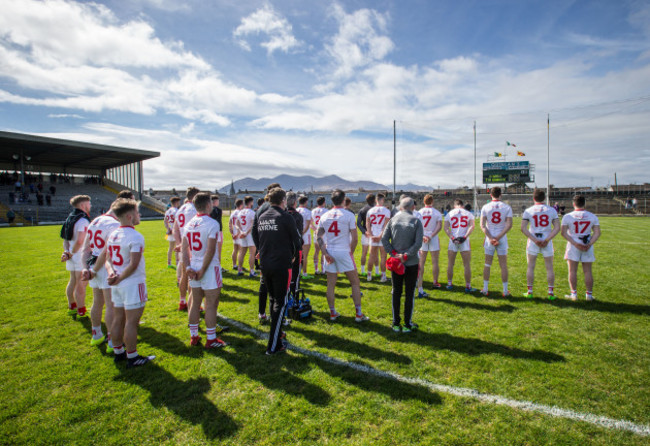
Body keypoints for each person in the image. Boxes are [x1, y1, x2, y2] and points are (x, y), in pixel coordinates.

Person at [99, 198, 154, 368]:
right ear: (130, 216)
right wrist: (120, 277)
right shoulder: (135, 236)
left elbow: (107, 260)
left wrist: (112, 274)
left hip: (116, 284)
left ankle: (118, 352)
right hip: (131, 283)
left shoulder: (113, 234)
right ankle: (133, 356)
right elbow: (134, 264)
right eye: (137, 213)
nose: (139, 215)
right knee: (131, 322)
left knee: (118, 319)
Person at [252, 187, 302, 355]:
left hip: (265, 264)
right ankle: (273, 346)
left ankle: (278, 336)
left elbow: (258, 238)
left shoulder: (262, 215)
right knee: (280, 303)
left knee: (273, 300)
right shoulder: (285, 217)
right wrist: (294, 256)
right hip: (281, 265)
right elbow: (298, 241)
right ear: (283, 201)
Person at [181, 193, 227, 348]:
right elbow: (211, 251)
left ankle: (194, 336)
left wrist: (188, 267)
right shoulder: (212, 223)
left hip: (193, 265)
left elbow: (184, 249)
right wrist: (202, 270)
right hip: (208, 268)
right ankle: (211, 338)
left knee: (194, 303)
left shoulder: (188, 224)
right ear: (208, 205)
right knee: (211, 305)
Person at [316, 190, 368, 322]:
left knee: (331, 284)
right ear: (344, 200)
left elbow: (319, 237)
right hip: (344, 251)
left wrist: (325, 253)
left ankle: (333, 313)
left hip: (330, 251)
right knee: (355, 283)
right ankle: (358, 314)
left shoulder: (325, 215)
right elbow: (355, 238)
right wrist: (350, 252)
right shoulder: (349, 215)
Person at [81, 203, 120, 351]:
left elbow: (86, 249)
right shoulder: (115, 224)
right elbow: (106, 251)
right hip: (103, 266)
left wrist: (87, 268)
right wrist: (95, 270)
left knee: (97, 302)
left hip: (93, 264)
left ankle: (96, 334)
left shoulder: (95, 221)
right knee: (111, 305)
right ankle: (112, 341)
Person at [381, 197, 423, 332]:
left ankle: (395, 323)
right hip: (410, 262)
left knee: (396, 291)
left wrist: (393, 253)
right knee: (409, 293)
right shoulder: (416, 221)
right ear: (413, 207)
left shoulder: (393, 220)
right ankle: (407, 324)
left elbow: (383, 238)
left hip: (396, 262)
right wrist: (406, 255)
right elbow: (418, 243)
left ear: (400, 207)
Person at [521, 189, 561, 299]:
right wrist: (547, 239)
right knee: (549, 268)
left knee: (530, 266)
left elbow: (523, 228)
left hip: (533, 241)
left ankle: (530, 292)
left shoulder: (529, 210)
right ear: (544, 197)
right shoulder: (551, 210)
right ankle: (550, 293)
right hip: (546, 241)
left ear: (533, 198)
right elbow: (557, 227)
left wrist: (534, 240)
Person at [561, 195, 601, 301]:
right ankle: (589, 295)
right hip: (587, 244)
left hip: (573, 245)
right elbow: (597, 233)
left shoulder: (568, 216)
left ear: (573, 204)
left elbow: (563, 233)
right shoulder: (592, 216)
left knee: (572, 270)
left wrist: (575, 243)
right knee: (588, 271)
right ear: (584, 203)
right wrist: (589, 243)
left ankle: (574, 294)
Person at [60, 195, 91, 317]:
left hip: (72, 255)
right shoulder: (82, 220)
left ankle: (71, 305)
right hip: (79, 255)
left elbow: (65, 239)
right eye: (89, 204)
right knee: (81, 284)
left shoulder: (70, 218)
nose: (90, 206)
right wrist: (71, 253)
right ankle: (81, 309)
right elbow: (80, 240)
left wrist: (67, 252)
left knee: (72, 280)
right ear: (83, 205)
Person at [479, 187, 513, 297]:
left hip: (489, 238)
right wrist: (498, 237)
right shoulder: (506, 207)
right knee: (503, 265)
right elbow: (509, 225)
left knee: (487, 264)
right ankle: (505, 290)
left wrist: (490, 237)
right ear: (500, 194)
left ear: (490, 194)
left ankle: (485, 289)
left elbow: (482, 225)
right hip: (501, 238)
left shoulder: (485, 207)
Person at [173, 187, 200, 310]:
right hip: (191, 246)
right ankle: (193, 303)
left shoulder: (180, 209)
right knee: (191, 276)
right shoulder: (194, 209)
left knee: (184, 275)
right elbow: (195, 229)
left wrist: (179, 244)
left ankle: (182, 301)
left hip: (183, 246)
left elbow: (176, 229)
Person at [443, 199, 476, 293]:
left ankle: (449, 284)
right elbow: (472, 226)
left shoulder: (450, 213)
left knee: (450, 263)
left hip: (453, 240)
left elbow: (446, 227)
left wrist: (452, 237)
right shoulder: (468, 213)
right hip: (464, 241)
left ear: (455, 205)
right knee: (467, 265)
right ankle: (468, 286)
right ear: (462, 205)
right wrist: (464, 237)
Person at [416, 194, 443, 297]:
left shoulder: (419, 212)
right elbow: (439, 226)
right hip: (433, 237)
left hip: (422, 238)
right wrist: (430, 236)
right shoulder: (436, 212)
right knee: (435, 261)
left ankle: (419, 282)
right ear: (433, 201)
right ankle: (435, 282)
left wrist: (423, 235)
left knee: (421, 262)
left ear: (424, 201)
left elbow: (416, 226)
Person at [366, 193, 391, 282]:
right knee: (383, 257)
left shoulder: (370, 211)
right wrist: (380, 235)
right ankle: (383, 277)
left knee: (371, 256)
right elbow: (386, 225)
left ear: (376, 200)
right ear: (382, 200)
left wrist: (370, 234)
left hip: (373, 235)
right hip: (382, 236)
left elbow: (367, 224)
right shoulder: (386, 211)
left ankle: (369, 276)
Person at [286, 192, 304, 304]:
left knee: (286, 275)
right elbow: (298, 235)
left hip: (283, 249)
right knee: (295, 276)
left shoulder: (282, 214)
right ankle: (294, 298)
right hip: (295, 249)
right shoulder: (297, 216)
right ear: (294, 202)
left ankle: (287, 297)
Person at [235, 196, 257, 277]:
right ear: (251, 202)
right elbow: (252, 224)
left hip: (242, 234)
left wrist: (241, 231)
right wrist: (246, 232)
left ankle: (239, 269)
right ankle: (252, 271)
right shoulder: (252, 213)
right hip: (249, 235)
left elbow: (237, 223)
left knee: (242, 253)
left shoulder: (240, 212)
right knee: (252, 253)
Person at [356, 194, 375, 275]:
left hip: (366, 234)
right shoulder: (377, 209)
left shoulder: (362, 210)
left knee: (364, 252)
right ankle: (377, 271)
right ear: (374, 200)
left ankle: (363, 271)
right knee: (374, 253)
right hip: (375, 234)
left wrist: (364, 231)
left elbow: (358, 223)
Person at [296, 195, 313, 279]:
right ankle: (305, 273)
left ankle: (297, 272)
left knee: (297, 255)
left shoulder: (295, 210)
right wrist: (303, 233)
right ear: (305, 202)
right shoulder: (307, 211)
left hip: (296, 234)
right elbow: (307, 224)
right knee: (305, 255)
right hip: (305, 235)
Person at [311, 196, 328, 274]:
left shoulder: (313, 211)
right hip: (323, 233)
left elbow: (310, 224)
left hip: (316, 233)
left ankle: (316, 269)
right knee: (323, 251)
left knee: (316, 250)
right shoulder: (326, 211)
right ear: (324, 202)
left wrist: (315, 230)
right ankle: (323, 270)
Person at [164, 197, 181, 269]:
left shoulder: (168, 211)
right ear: (176, 202)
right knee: (177, 247)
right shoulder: (177, 211)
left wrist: (168, 229)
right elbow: (178, 221)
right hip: (176, 231)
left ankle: (169, 262)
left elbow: (165, 221)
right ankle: (177, 263)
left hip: (170, 231)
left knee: (170, 247)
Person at [209, 194, 225, 271]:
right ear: (215, 201)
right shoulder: (218, 210)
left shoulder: (207, 210)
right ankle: (218, 266)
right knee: (218, 250)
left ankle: (211, 265)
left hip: (209, 231)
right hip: (218, 231)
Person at [229, 199, 244, 270]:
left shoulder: (233, 212)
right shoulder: (240, 212)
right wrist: (238, 234)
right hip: (239, 234)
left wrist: (232, 233)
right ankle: (240, 266)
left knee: (235, 249)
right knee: (241, 250)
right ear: (241, 205)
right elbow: (240, 225)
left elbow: (230, 224)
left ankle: (234, 265)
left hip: (234, 233)